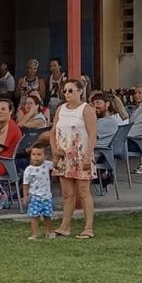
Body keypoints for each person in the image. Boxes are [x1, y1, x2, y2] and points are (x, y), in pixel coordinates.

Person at [51, 79, 98, 239]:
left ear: (80, 91)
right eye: (65, 91)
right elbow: (53, 131)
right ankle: (65, 226)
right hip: (64, 155)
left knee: (83, 191)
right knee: (67, 193)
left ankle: (88, 227)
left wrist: (88, 156)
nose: (67, 94)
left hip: (80, 154)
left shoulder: (86, 109)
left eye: (71, 90)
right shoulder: (61, 109)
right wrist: (55, 150)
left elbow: (92, 134)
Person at [22, 146, 55, 239]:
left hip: (47, 197)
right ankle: (34, 233)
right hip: (35, 197)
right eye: (34, 154)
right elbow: (25, 184)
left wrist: (57, 154)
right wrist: (25, 196)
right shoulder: (28, 170)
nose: (36, 157)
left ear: (45, 156)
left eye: (39, 154)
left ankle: (49, 232)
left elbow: (56, 163)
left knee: (47, 216)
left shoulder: (47, 164)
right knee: (34, 216)